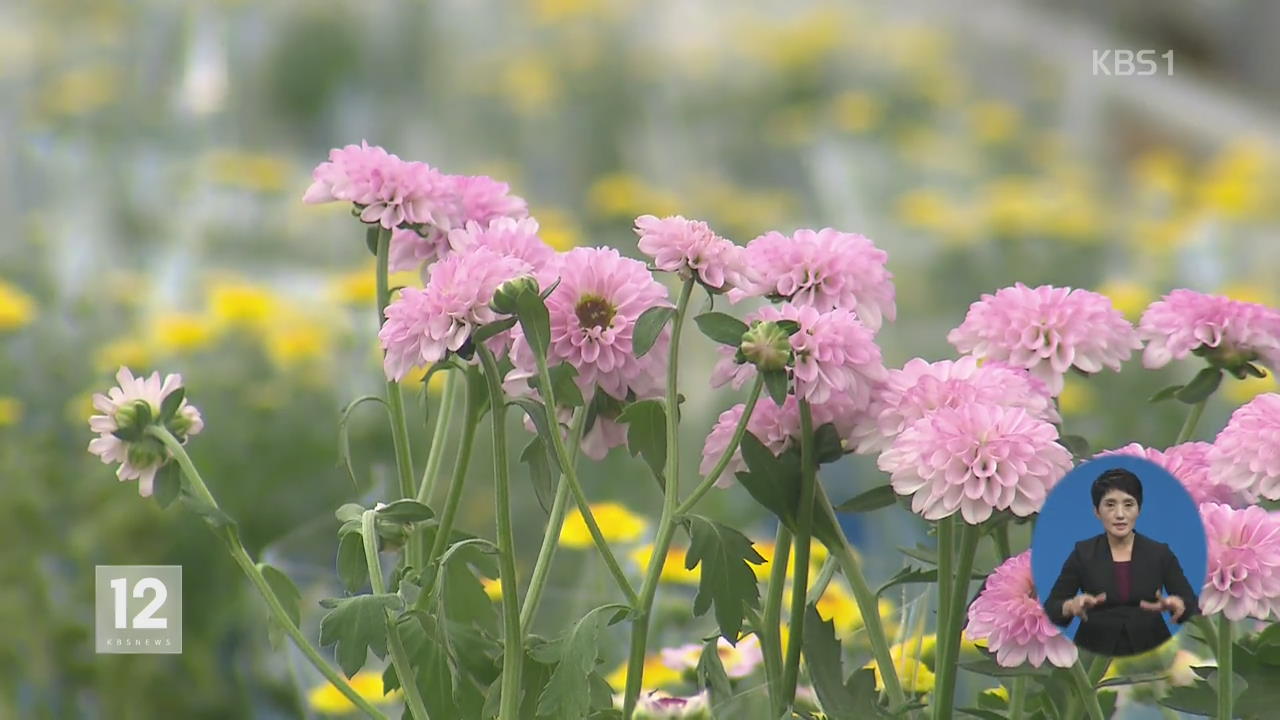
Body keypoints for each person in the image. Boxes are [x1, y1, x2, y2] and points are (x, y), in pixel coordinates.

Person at [1044, 468, 1200, 656]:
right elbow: (1053, 605)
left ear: (1139, 509)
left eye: (1128, 504)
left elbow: (1191, 601)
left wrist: (1177, 603)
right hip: (1094, 648)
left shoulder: (1159, 552)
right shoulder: (1083, 553)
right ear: (1096, 511)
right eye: (1110, 505)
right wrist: (1071, 606)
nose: (1120, 514)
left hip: (1150, 648)